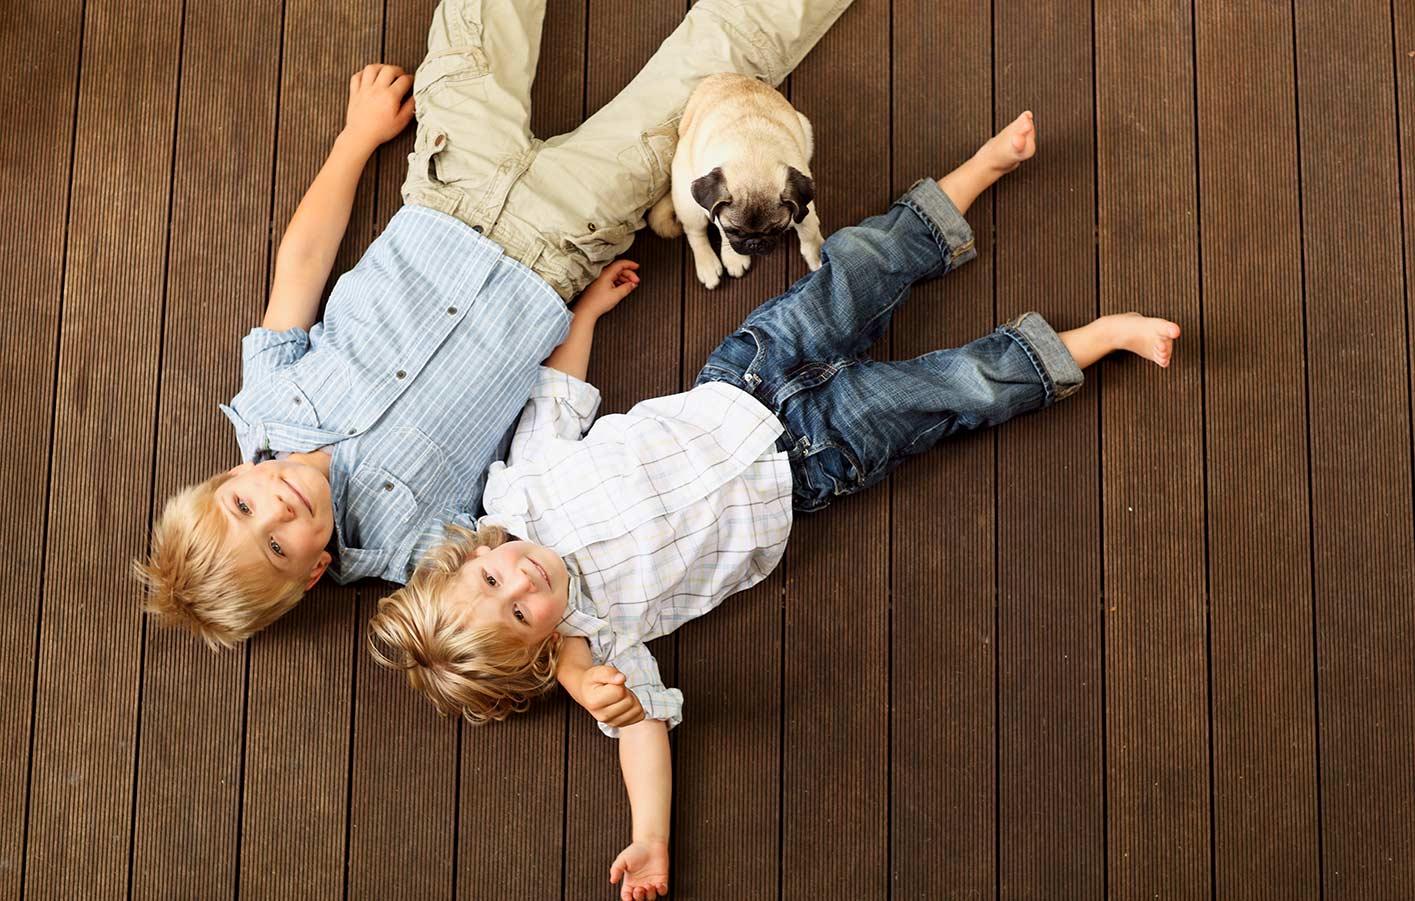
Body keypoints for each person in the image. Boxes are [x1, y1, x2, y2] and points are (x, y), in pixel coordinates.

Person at [365, 111, 1181, 901]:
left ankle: (973, 176)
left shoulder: (519, 487)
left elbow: (560, 393)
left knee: (856, 269)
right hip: (810, 461)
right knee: (946, 392)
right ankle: (1094, 339)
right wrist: (650, 834)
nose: (521, 581)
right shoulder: (601, 635)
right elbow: (641, 727)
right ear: (542, 647)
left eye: (491, 579)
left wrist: (586, 314)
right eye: (518, 612)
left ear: (471, 552)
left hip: (746, 377)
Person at [132, 0, 856, 649]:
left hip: (450, 180)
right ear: (318, 567)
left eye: (244, 504)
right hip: (563, 238)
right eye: (279, 546)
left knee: (477, 25)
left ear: (231, 474)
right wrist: (587, 678)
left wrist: (355, 140)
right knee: (718, 67)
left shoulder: (265, 399)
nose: (278, 511)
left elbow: (301, 266)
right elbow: (524, 606)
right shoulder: (413, 548)